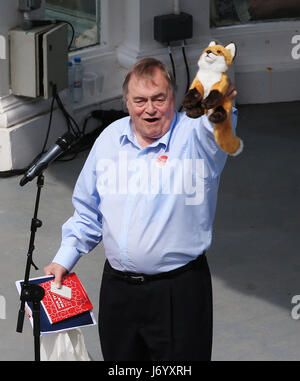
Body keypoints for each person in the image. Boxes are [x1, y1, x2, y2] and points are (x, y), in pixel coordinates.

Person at [44, 57, 238, 361]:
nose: (150, 108)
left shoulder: (194, 139)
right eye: (140, 100)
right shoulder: (110, 139)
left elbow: (216, 128)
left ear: (173, 97)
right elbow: (88, 212)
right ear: (126, 102)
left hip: (178, 293)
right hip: (117, 291)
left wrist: (219, 104)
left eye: (159, 99)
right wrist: (64, 258)